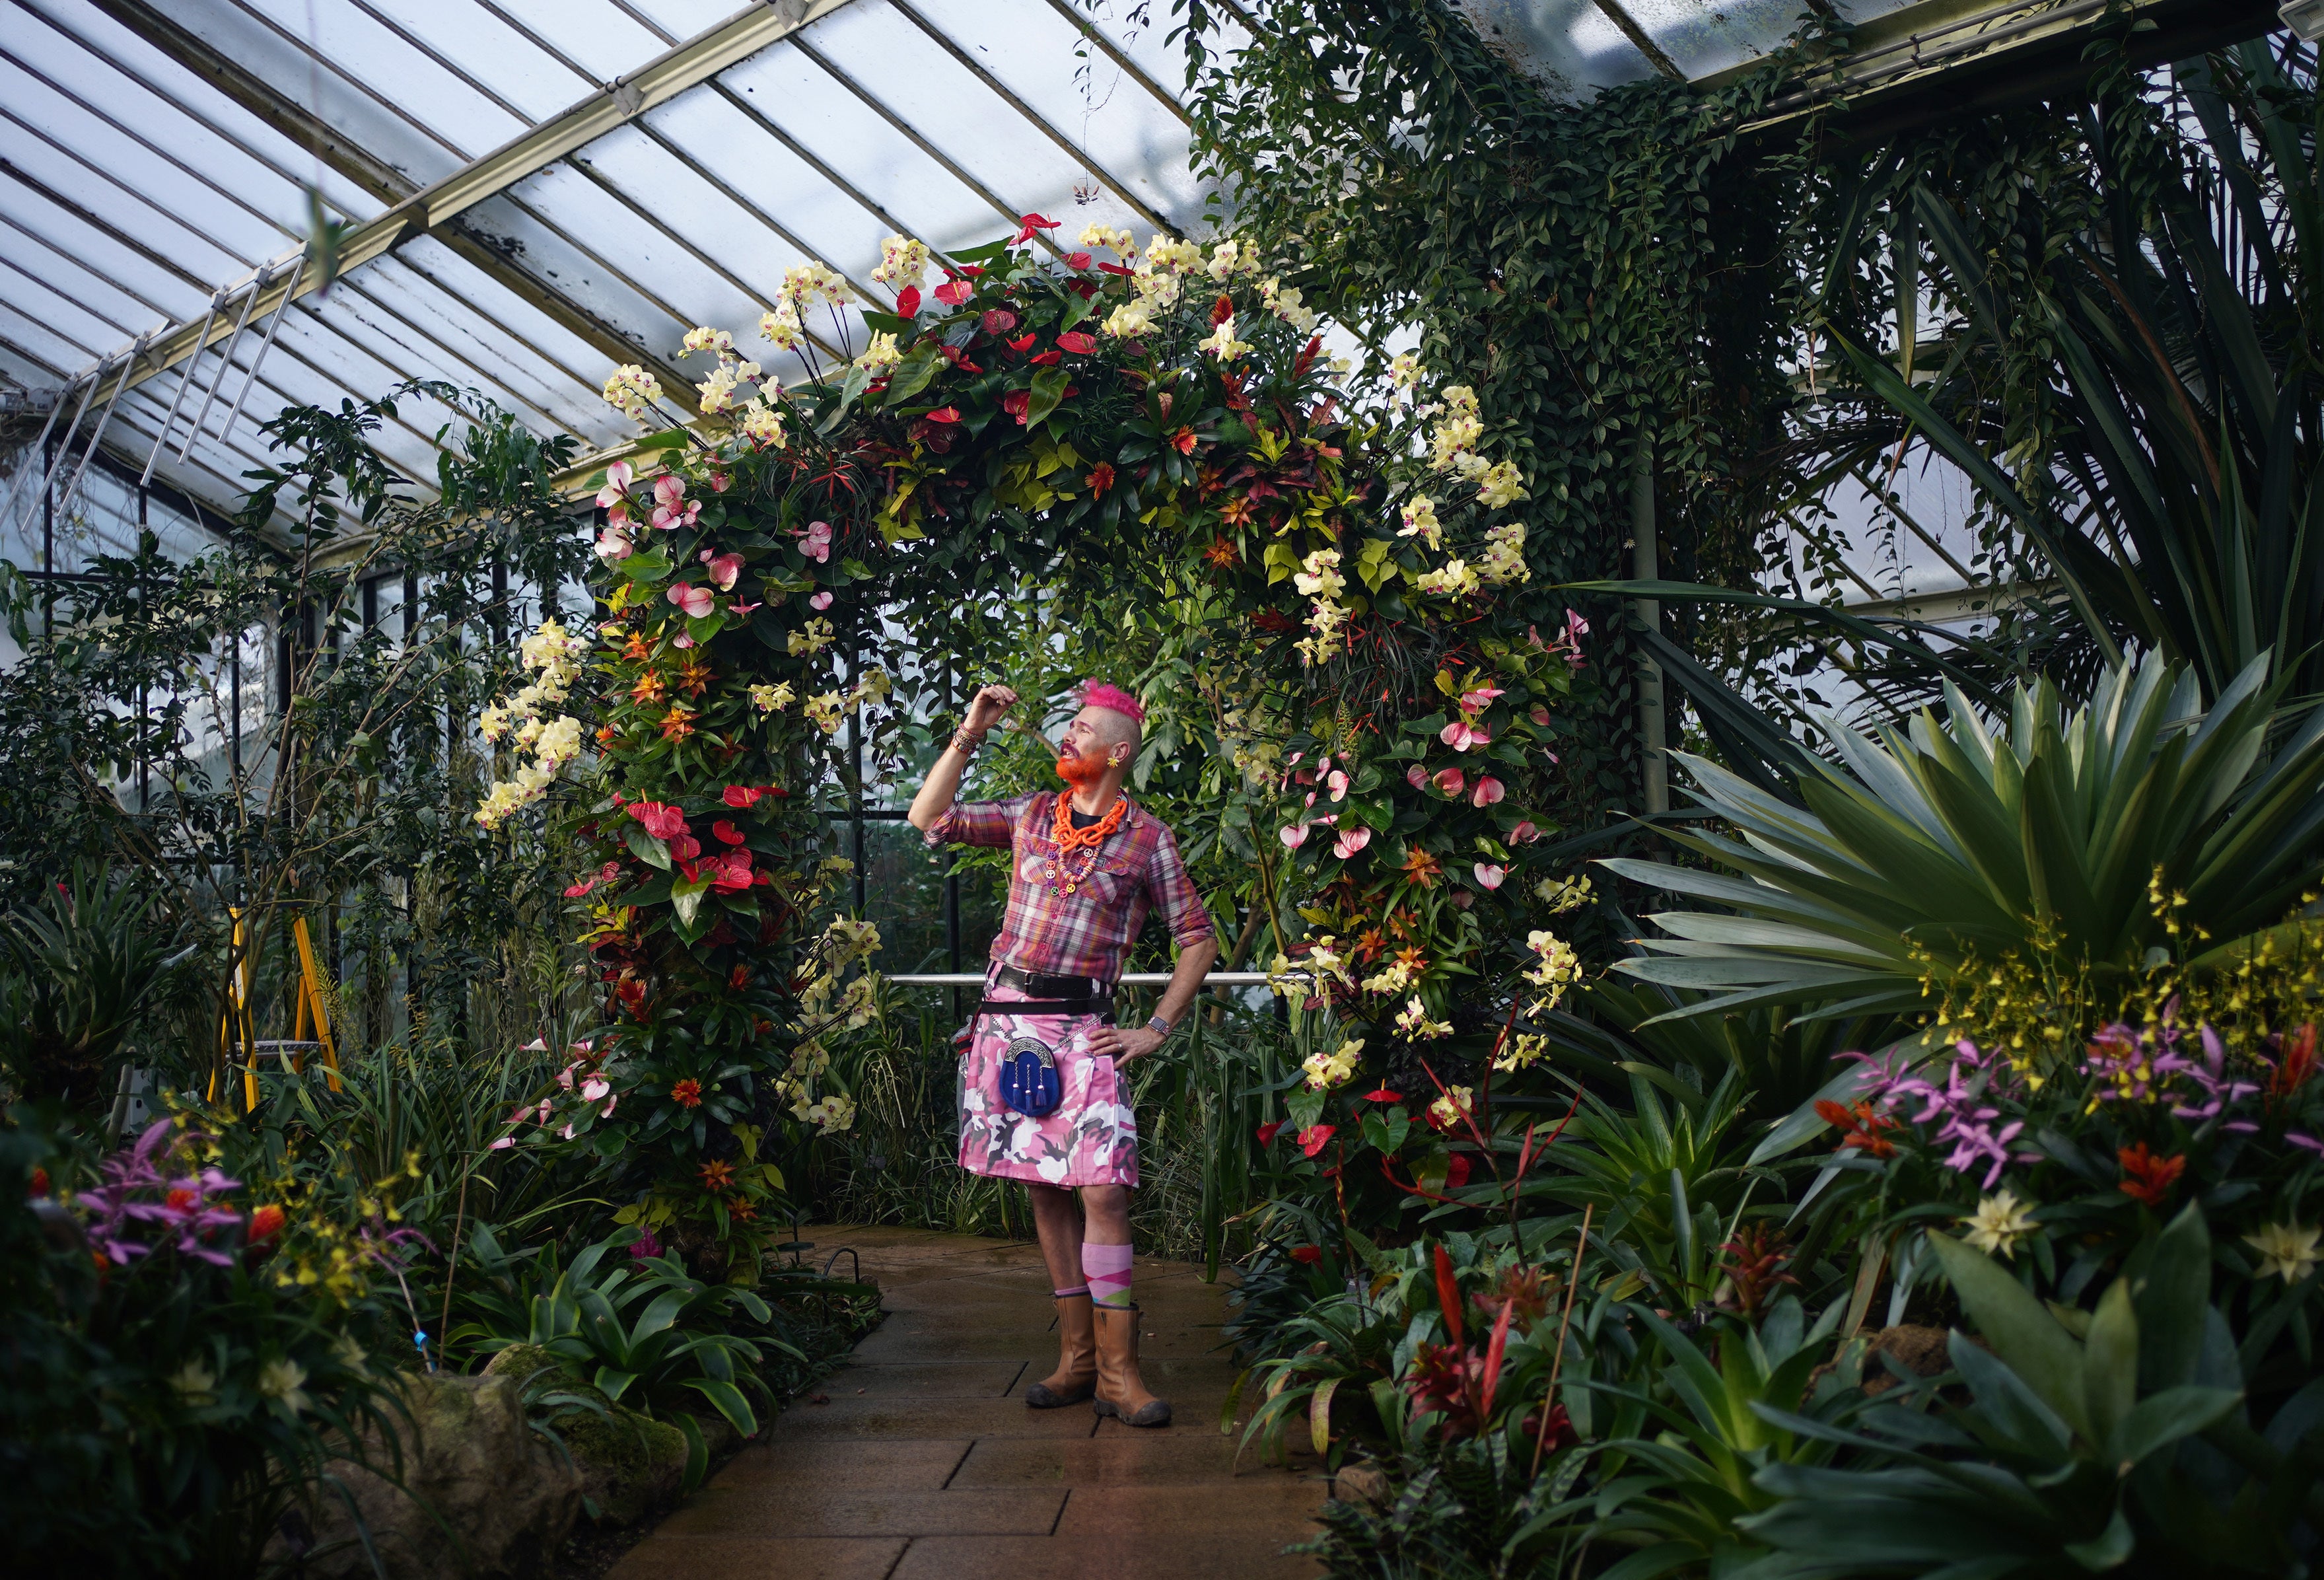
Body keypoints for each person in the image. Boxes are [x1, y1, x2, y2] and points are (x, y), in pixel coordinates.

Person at [907, 678, 1219, 1427]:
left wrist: (1158, 1026)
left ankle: (1120, 1369)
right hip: (1010, 1020)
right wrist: (969, 731)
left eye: (1083, 727)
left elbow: (1197, 939)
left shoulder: (1146, 837)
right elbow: (930, 816)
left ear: (1118, 752)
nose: (1068, 735)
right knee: (1044, 1187)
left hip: (1085, 1029)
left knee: (1104, 1187)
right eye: (1068, 725)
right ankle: (1079, 1359)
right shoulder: (1028, 813)